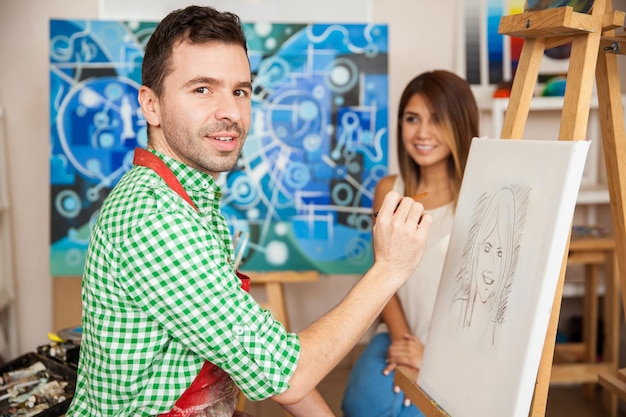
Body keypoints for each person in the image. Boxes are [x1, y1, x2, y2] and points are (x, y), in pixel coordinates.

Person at [66, 5, 432, 417]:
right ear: (151, 106)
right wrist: (389, 270)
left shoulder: (192, 199)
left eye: (240, 91)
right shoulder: (155, 218)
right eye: (202, 89)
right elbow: (288, 375)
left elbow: (249, 345)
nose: (231, 113)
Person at [341, 70, 479, 417]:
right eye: (412, 118)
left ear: (460, 124)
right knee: (361, 404)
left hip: (462, 351)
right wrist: (405, 346)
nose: (422, 133)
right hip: (402, 336)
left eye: (437, 119)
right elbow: (382, 277)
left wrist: (433, 361)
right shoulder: (389, 191)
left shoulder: (480, 196)